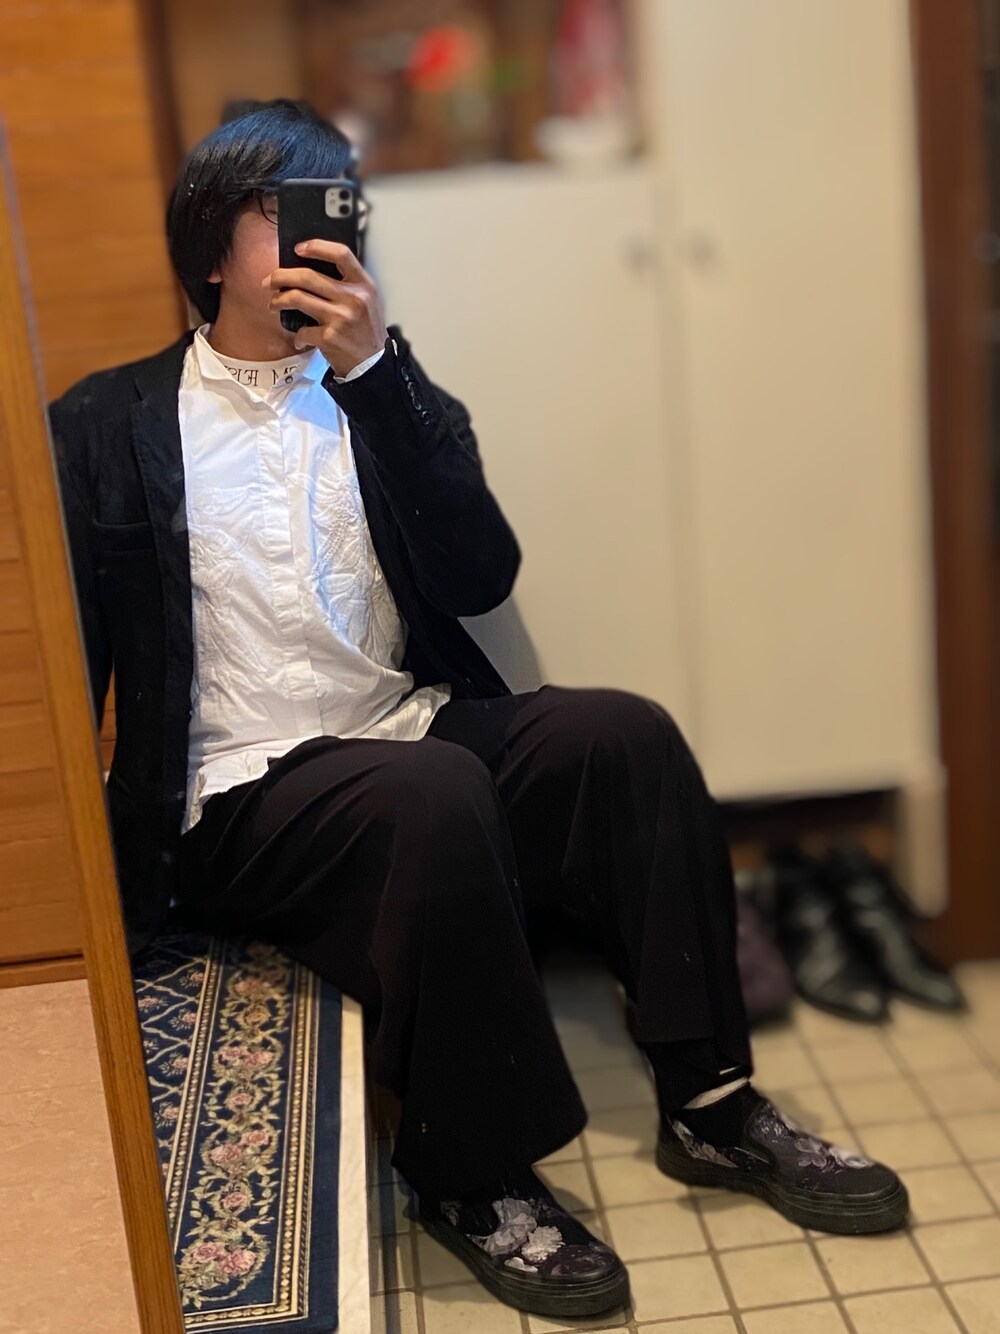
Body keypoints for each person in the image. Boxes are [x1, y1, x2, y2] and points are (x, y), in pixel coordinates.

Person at [50, 100, 908, 1321]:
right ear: (209, 246)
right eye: (283, 209)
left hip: (404, 732)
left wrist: (374, 377)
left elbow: (478, 577)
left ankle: (710, 1102)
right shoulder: (107, 422)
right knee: (434, 791)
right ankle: (471, 1170)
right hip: (237, 788)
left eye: (338, 207)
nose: (320, 235)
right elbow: (67, 652)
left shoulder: (385, 389)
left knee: (622, 737)